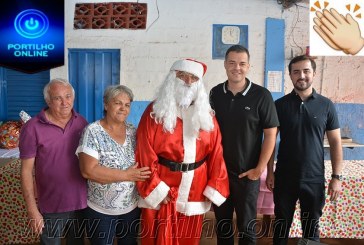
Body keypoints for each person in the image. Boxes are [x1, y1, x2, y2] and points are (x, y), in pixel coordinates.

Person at [136, 59, 230, 245]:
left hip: (195, 190)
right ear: (171, 79)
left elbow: (217, 153)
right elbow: (144, 152)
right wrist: (156, 188)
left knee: (188, 239)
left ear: (199, 84)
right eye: (182, 75)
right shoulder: (155, 111)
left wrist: (215, 186)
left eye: (193, 77)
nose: (187, 81)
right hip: (162, 187)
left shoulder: (207, 115)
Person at [266, 55, 343, 245]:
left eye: (306, 71)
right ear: (290, 75)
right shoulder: (280, 105)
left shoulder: (326, 105)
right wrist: (270, 172)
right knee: (281, 226)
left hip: (314, 177)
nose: (302, 75)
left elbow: (335, 143)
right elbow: (269, 142)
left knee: (311, 229)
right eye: (296, 72)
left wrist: (336, 177)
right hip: (284, 177)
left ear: (314, 73)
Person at [209, 45, 279, 245]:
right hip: (219, 174)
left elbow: (271, 135)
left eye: (241, 63)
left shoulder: (262, 95)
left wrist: (258, 170)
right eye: (231, 63)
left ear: (248, 66)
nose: (236, 68)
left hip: (247, 175)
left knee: (247, 229)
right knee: (222, 227)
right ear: (224, 65)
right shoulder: (215, 94)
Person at [76, 85, 151, 245]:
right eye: (118, 103)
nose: (123, 108)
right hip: (101, 211)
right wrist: (126, 175)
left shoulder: (133, 131)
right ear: (106, 105)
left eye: (127, 105)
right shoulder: (93, 131)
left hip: (131, 208)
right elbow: (88, 171)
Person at [19, 78, 88, 245]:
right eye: (58, 98)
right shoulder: (32, 128)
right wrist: (32, 210)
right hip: (51, 204)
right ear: (48, 101)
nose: (65, 102)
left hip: (82, 201)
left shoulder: (81, 122)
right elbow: (26, 171)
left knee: (77, 242)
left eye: (68, 96)